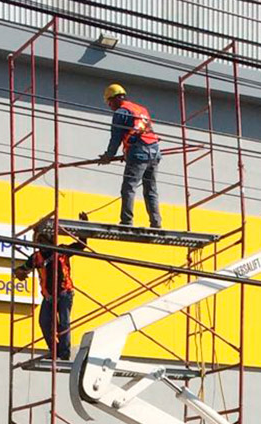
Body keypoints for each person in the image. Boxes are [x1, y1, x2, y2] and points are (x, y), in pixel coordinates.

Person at [13, 227, 87, 361]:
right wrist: (18, 272)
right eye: (40, 241)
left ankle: (64, 352)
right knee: (44, 321)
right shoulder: (36, 257)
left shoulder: (62, 251)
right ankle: (55, 350)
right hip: (49, 297)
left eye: (44, 241)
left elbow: (81, 246)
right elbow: (23, 269)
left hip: (65, 293)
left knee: (63, 323)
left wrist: (83, 228)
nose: (42, 244)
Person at [98, 83, 163, 228]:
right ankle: (156, 222)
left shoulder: (121, 112)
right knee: (151, 189)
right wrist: (127, 153)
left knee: (129, 187)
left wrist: (108, 156)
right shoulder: (141, 109)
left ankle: (126, 221)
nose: (110, 107)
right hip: (154, 151)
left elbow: (116, 137)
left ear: (113, 99)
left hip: (139, 153)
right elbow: (142, 131)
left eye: (109, 103)